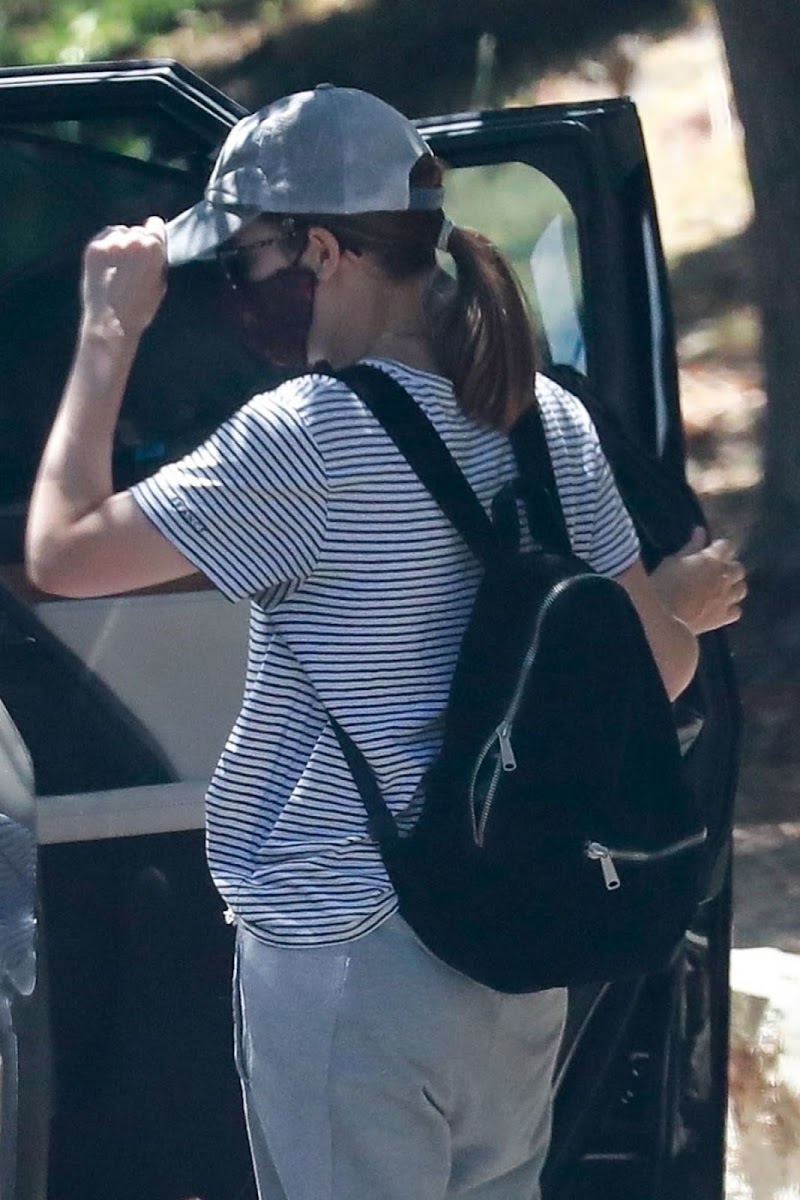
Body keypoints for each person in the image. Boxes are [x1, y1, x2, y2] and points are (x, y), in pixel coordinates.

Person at [25, 85, 727, 1200]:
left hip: (349, 946)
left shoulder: (305, 436)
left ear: (320, 250)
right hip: (512, 940)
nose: (234, 296)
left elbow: (61, 554)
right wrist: (676, 602)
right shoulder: (546, 419)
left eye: (243, 262)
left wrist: (109, 333)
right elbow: (665, 666)